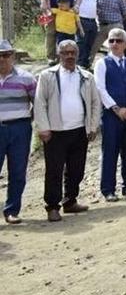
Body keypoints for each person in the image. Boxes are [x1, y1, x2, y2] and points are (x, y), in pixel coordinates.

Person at [33, 40, 99, 222]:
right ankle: (52, 207)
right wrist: (43, 128)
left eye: (72, 52)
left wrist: (92, 126)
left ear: (77, 54)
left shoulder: (86, 76)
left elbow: (95, 102)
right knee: (54, 170)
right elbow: (40, 102)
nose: (69, 56)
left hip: (79, 130)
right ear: (59, 55)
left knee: (76, 169)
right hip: (55, 132)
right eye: (65, 52)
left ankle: (70, 201)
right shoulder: (47, 76)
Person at [94, 28, 126, 201]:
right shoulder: (102, 63)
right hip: (111, 115)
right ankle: (108, 189)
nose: (115, 43)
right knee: (110, 151)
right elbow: (100, 88)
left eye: (119, 40)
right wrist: (116, 109)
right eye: (112, 40)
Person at [0, 40, 36, 224]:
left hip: (20, 128)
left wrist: (30, 121)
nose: (2, 59)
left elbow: (37, 103)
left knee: (18, 171)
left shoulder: (26, 78)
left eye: (6, 55)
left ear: (13, 56)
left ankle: (12, 210)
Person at [92, 0, 126, 64]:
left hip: (115, 25)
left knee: (115, 46)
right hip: (102, 26)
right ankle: (88, 64)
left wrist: (118, 23)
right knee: (94, 46)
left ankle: (116, 64)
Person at [76, 0, 99, 68]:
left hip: (93, 21)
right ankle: (79, 64)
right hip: (82, 20)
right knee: (82, 43)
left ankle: (85, 64)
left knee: (90, 43)